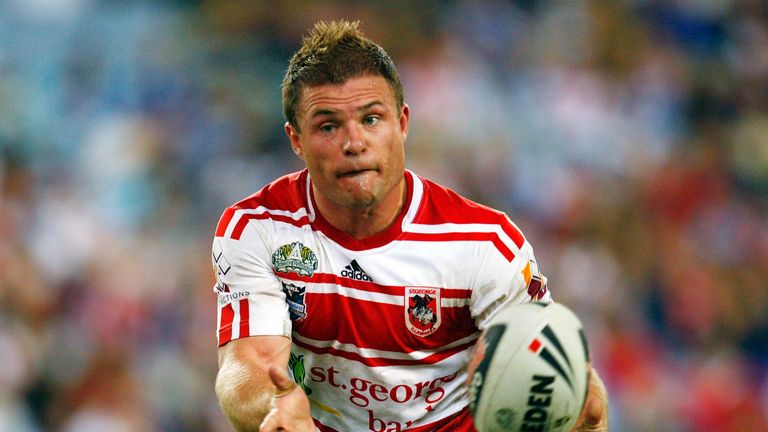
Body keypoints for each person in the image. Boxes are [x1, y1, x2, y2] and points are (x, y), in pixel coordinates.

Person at [212, 20, 609, 432]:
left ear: (402, 123)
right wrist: (273, 405)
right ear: (296, 140)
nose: (354, 143)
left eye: (371, 119)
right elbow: (248, 364)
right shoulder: (258, 228)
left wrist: (580, 407)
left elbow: (557, 371)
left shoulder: (483, 243)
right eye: (328, 126)